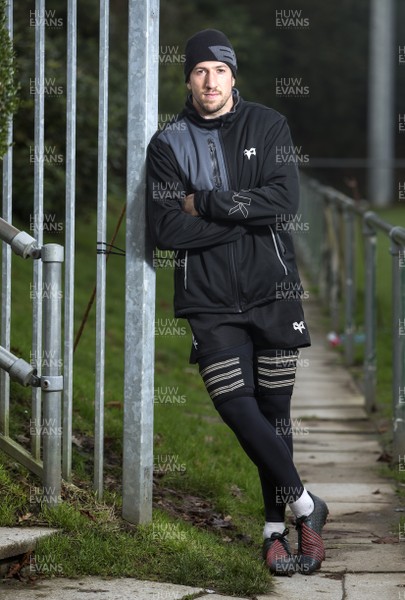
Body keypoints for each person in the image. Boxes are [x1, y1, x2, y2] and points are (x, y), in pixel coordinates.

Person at [147, 29, 328, 576]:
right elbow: (164, 228)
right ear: (187, 79)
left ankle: (274, 533)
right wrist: (238, 223)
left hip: (273, 289)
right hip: (209, 299)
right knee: (235, 405)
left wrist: (203, 203)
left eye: (219, 70)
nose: (209, 80)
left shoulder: (268, 124)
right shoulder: (167, 142)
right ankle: (306, 506)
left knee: (274, 415)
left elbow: (281, 200)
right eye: (200, 71)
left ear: (233, 76)